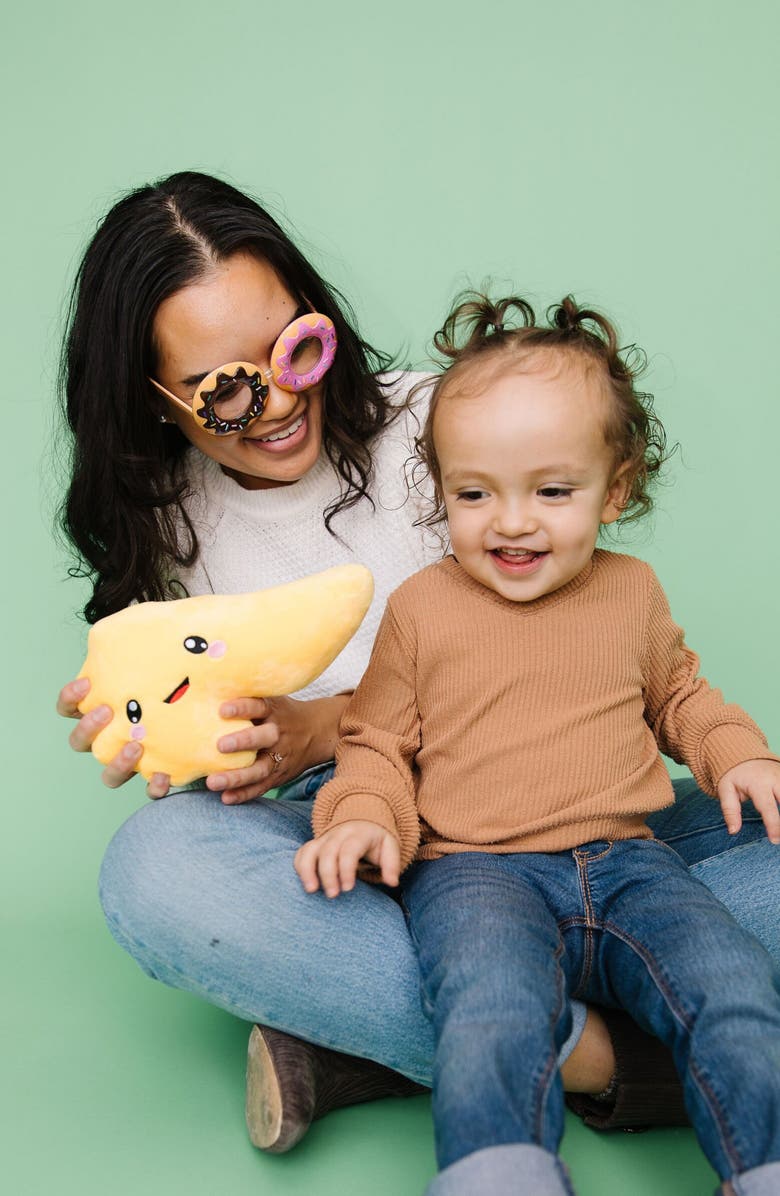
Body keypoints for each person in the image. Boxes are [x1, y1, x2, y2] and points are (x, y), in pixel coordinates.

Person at [56, 173, 779, 1155]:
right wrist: (178, 744)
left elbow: (576, 659)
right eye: (225, 387)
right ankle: (622, 1063)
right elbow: (214, 739)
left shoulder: (458, 428)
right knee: (158, 870)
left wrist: (326, 714)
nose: (276, 401)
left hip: (575, 816)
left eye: (294, 347)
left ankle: (378, 1047)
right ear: (151, 402)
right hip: (362, 839)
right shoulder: (166, 526)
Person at [295, 292, 780, 1195]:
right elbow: (375, 744)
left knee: (732, 984)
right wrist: (361, 817)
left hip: (635, 863)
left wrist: (739, 755)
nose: (511, 522)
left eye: (552, 492)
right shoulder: (422, 610)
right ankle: (500, 1172)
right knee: (490, 1012)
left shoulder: (631, 593)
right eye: (474, 493)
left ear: (617, 487)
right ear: (440, 490)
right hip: (475, 871)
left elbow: (680, 695)